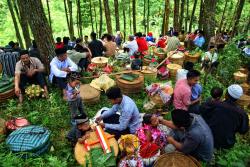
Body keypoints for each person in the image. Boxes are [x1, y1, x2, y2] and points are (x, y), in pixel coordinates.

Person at [200, 84, 249, 149]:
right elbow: (243, 130)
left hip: (208, 137)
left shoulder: (214, 104)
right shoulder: (242, 114)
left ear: (226, 94)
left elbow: (201, 109)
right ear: (238, 99)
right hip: (226, 143)